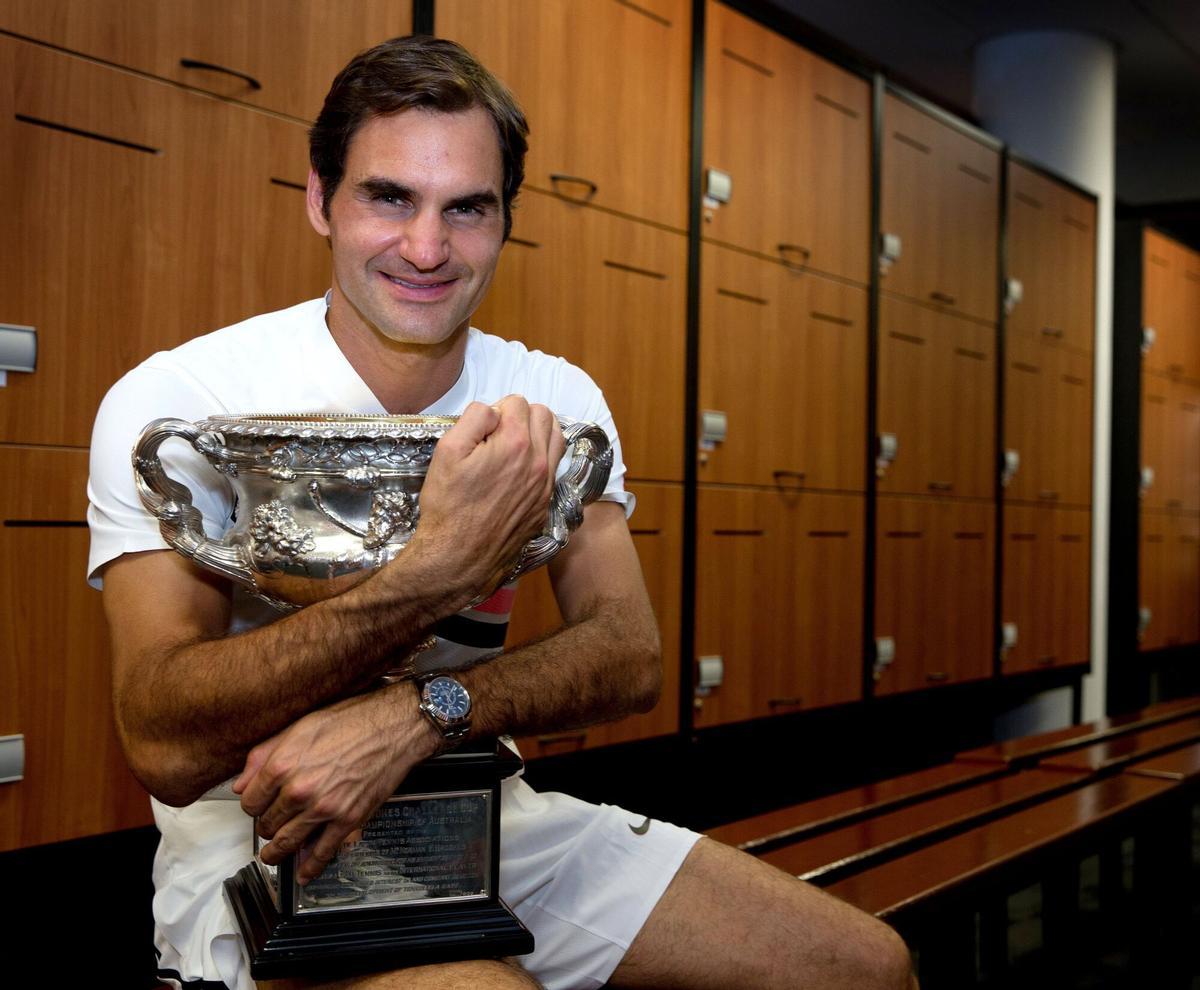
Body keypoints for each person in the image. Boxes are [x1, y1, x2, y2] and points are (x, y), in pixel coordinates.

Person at [88, 35, 916, 990]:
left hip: (485, 816)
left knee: (868, 966)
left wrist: (420, 715)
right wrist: (436, 573)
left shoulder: (551, 398)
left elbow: (628, 654)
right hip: (258, 843)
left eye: (467, 208)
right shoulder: (187, 403)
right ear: (321, 199)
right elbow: (163, 744)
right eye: (388, 197)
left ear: (506, 219)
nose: (426, 248)